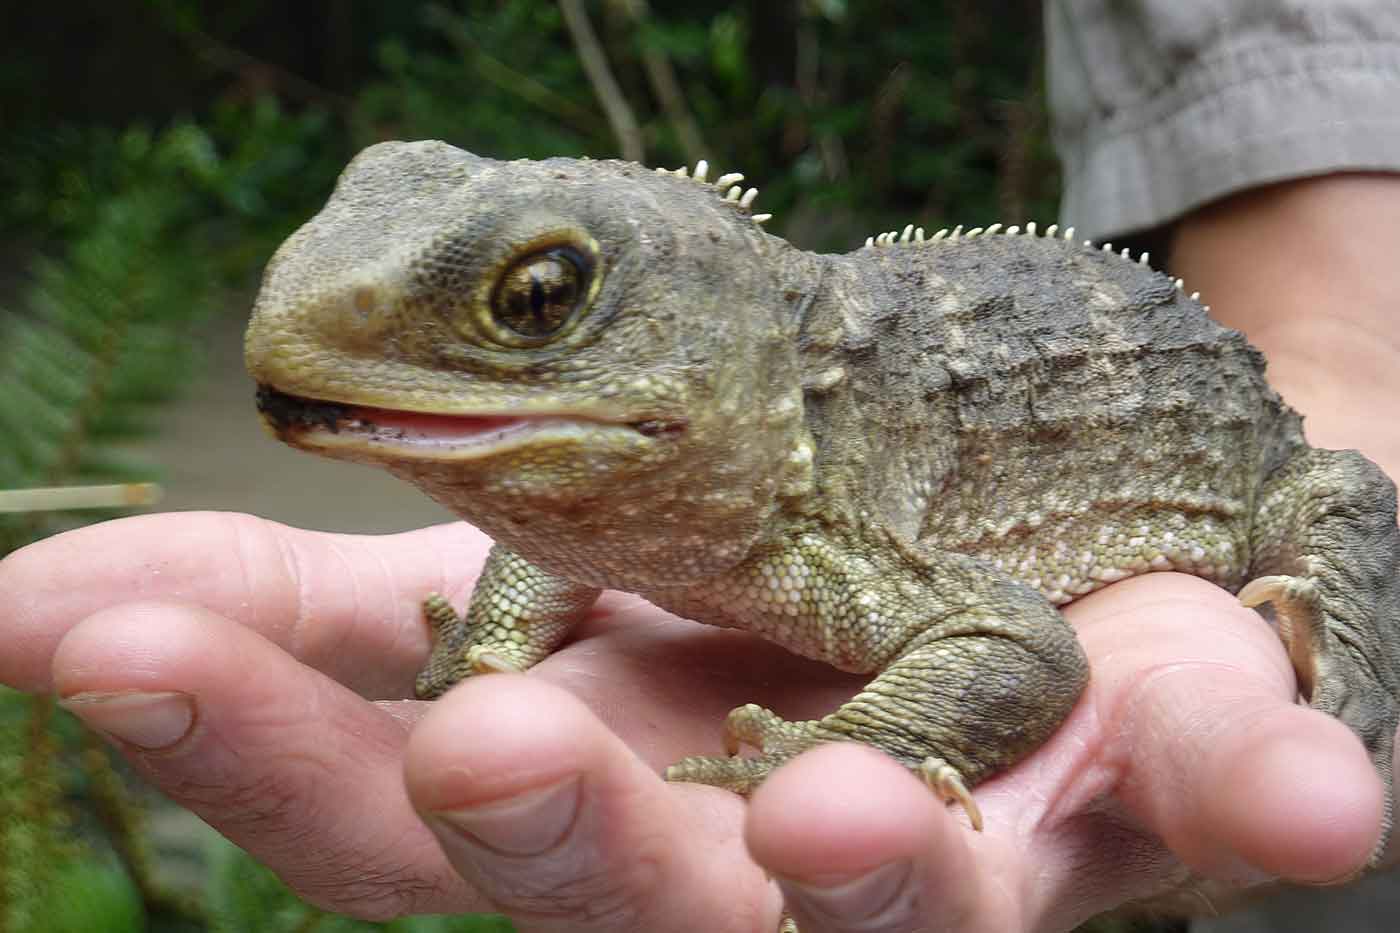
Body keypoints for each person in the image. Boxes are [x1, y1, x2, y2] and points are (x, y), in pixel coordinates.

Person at [2, 5, 1398, 932]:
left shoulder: (814, 536)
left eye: (536, 301)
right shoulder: (642, 481)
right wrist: (487, 650)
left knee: (1343, 691)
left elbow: (1020, 644)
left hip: (1268, 466)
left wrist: (859, 740)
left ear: (709, 352)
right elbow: (557, 531)